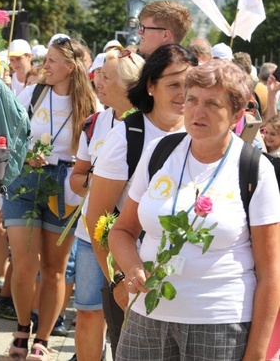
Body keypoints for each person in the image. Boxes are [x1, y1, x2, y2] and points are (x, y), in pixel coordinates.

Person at [109, 59, 280, 361]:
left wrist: (255, 355)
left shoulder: (255, 169)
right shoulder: (159, 152)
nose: (198, 112)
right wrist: (132, 267)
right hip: (146, 320)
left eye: (213, 104)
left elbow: (270, 274)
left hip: (219, 326)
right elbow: (122, 231)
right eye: (192, 100)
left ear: (237, 114)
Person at [84, 43, 196, 357]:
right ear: (150, 85)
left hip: (185, 280)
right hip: (134, 277)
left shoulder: (198, 132)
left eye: (189, 84)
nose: (182, 93)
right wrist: (117, 279)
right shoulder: (126, 136)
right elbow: (98, 217)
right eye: (174, 84)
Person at [5, 36, 98, 360]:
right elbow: (13, 136)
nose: (45, 66)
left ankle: (42, 340)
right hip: (26, 179)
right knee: (23, 264)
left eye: (52, 62)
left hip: (64, 183)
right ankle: (21, 327)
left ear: (70, 68)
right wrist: (26, 155)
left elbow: (95, 151)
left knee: (55, 270)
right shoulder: (33, 93)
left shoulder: (89, 106)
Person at [68, 48, 144, 361]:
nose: (98, 82)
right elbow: (76, 178)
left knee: (129, 320)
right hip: (91, 236)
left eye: (106, 77)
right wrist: (99, 185)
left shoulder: (152, 128)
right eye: (99, 74)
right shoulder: (93, 123)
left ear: (130, 86)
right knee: (88, 312)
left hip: (132, 241)